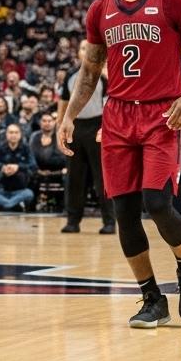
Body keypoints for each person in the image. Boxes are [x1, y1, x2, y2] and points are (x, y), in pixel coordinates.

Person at [57, 0, 181, 329]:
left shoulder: (172, 0)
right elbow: (91, 70)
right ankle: (151, 297)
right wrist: (69, 116)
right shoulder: (100, 9)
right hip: (117, 117)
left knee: (157, 202)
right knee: (124, 213)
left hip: (161, 114)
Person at [57, 41, 115, 233]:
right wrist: (60, 128)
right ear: (78, 52)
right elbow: (63, 105)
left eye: (89, 47)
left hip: (97, 126)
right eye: (82, 48)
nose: (86, 51)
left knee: (102, 177)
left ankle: (109, 221)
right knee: (74, 178)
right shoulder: (71, 76)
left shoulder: (104, 77)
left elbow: (110, 107)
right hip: (75, 127)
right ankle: (72, 221)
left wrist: (107, 130)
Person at [0, 123, 36, 211]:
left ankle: (4, 204)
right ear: (6, 134)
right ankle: (12, 204)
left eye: (16, 132)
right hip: (2, 190)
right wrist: (4, 167)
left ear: (20, 135)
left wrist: (18, 167)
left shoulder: (26, 148)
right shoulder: (0, 148)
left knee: (29, 194)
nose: (13, 135)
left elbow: (33, 164)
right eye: (11, 132)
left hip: (20, 191)